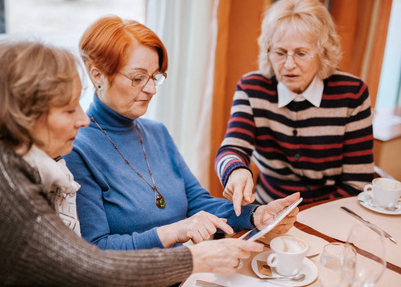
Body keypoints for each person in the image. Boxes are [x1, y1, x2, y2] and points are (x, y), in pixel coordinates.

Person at [0, 41, 264, 286]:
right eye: (67, 108)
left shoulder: (0, 157)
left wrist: (255, 215)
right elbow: (85, 266)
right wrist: (192, 258)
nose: (83, 118)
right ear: (22, 112)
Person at [64, 15, 299, 251]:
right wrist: (175, 231)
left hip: (187, 270)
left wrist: (256, 215)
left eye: (155, 76)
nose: (152, 89)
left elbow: (198, 203)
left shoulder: (158, 133)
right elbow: (95, 250)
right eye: (138, 78)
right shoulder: (76, 149)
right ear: (98, 76)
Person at [215, 0, 374, 215]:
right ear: (268, 51)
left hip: (331, 211)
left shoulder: (352, 93)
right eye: (280, 53)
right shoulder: (252, 88)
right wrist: (236, 171)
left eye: (301, 53)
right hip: (267, 209)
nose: (289, 65)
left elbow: (357, 181)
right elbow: (232, 148)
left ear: (323, 53)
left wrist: (309, 218)